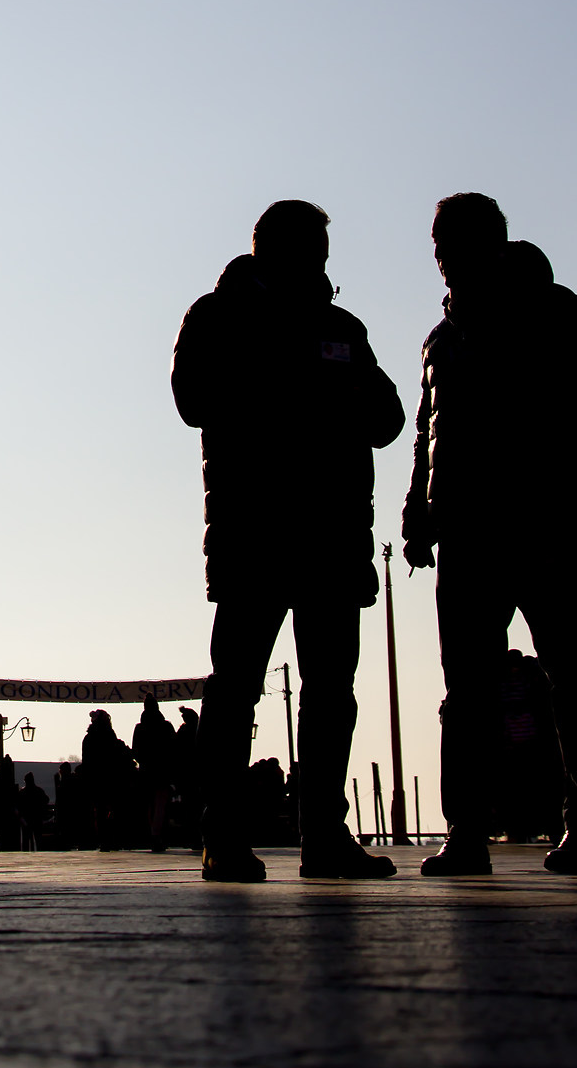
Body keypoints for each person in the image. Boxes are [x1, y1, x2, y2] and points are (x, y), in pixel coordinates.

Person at [173, 199, 405, 882]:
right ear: (273, 251)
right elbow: (191, 400)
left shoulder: (342, 327)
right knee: (236, 687)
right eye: (310, 252)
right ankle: (223, 837)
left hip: (333, 534)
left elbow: (388, 418)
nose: (320, 266)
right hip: (254, 531)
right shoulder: (217, 315)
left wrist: (346, 393)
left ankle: (324, 837)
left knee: (331, 690)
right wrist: (287, 384)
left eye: (322, 255)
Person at [403, 193, 577, 876]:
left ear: (492, 244)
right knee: (466, 690)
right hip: (464, 532)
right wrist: (417, 513)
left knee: (569, 678)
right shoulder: (440, 338)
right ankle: (466, 831)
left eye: (455, 243)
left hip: (542, 524)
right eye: (438, 244)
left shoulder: (558, 314)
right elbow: (428, 433)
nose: (443, 257)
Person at [80, 710, 134, 849]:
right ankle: (114, 838)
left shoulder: (88, 738)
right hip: (111, 777)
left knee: (100, 810)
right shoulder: (109, 735)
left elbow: (86, 762)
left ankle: (104, 840)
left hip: (96, 779)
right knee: (115, 808)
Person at [132, 696, 177, 852]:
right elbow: (173, 748)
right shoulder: (166, 726)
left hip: (146, 771)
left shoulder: (139, 728)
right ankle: (158, 834)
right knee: (161, 805)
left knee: (149, 805)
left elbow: (136, 751)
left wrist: (144, 761)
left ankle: (151, 834)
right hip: (162, 771)